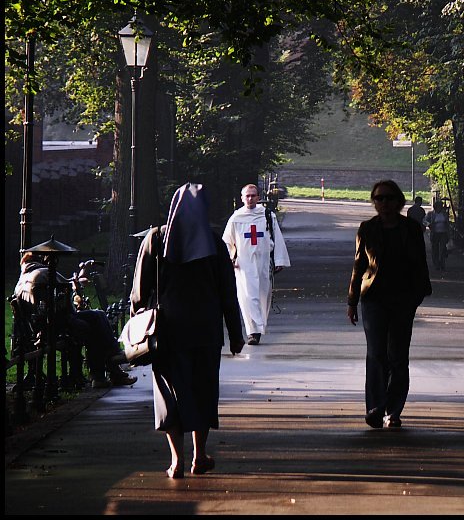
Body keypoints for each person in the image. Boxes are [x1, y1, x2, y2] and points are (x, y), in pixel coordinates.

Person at [130, 183, 245, 479]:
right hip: (206, 332)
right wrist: (235, 333)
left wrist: (136, 327)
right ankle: (200, 455)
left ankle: (176, 461)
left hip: (168, 331)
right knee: (203, 390)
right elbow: (227, 293)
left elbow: (140, 289)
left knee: (170, 394)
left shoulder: (156, 239)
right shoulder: (214, 245)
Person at [347, 179, 432, 429]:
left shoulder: (411, 229)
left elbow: (420, 264)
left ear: (399, 201)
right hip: (373, 299)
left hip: (404, 299)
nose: (384, 203)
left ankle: (393, 410)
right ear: (374, 202)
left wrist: (418, 295)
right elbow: (358, 266)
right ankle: (375, 407)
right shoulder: (367, 229)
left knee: (398, 356)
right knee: (375, 354)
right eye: (379, 198)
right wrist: (352, 301)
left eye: (389, 198)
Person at [14, 252, 137, 389]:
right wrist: (78, 280)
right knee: (95, 323)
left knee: (97, 316)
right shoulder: (43, 272)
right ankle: (106, 370)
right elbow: (68, 286)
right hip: (54, 326)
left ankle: (111, 371)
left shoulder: (21, 281)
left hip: (38, 327)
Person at [222, 183, 291, 345]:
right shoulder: (236, 218)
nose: (250, 198)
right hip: (244, 264)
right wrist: (229, 259)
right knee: (247, 297)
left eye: (253, 195)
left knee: (263, 296)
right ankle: (252, 331)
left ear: (258, 197)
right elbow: (226, 241)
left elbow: (277, 239)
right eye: (247, 196)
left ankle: (259, 327)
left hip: (263, 262)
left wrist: (279, 260)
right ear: (242, 198)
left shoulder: (267, 215)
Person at [424, 200, 450, 271]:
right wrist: (429, 225)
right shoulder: (431, 214)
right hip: (435, 233)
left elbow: (447, 222)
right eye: (439, 207)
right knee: (435, 248)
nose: (441, 208)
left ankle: (442, 263)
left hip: (443, 233)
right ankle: (436, 264)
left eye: (441, 207)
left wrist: (448, 231)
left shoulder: (444, 214)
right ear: (436, 207)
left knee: (442, 248)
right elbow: (425, 221)